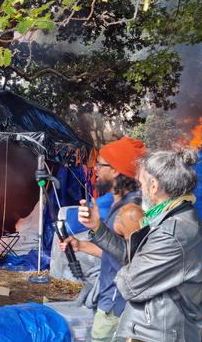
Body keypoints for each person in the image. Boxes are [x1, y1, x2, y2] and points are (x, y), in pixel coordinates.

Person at [78, 148, 202, 342]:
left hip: (160, 334)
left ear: (154, 186)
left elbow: (130, 283)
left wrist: (127, 269)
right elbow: (134, 257)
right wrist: (97, 228)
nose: (140, 190)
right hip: (156, 329)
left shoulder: (172, 232)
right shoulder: (170, 217)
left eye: (141, 184)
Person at [60, 136, 146, 342]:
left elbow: (134, 261)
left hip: (118, 307)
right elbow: (113, 251)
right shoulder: (119, 205)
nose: (95, 169)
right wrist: (81, 245)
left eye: (100, 164)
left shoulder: (131, 212)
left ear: (116, 170)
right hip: (109, 301)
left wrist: (97, 228)